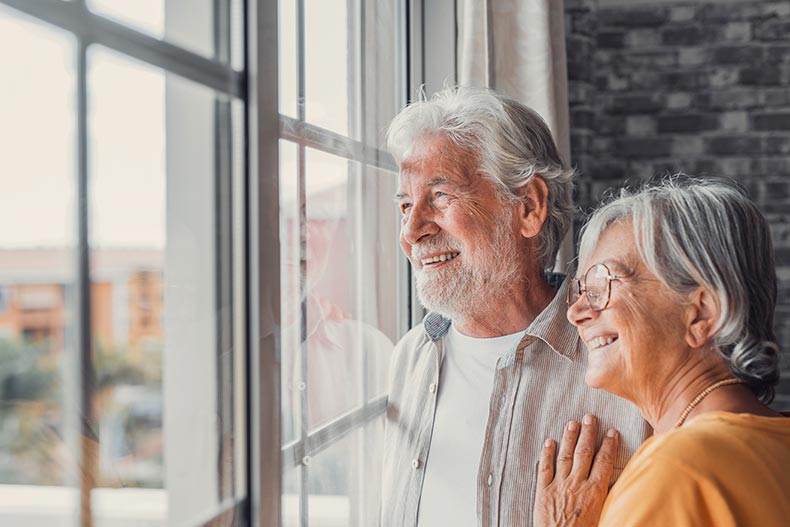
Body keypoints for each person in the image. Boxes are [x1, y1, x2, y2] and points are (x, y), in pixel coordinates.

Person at [380, 86, 650, 527]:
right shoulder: (409, 359)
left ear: (528, 207)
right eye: (405, 204)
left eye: (440, 196)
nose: (411, 232)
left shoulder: (624, 366)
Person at [534, 177, 790, 527]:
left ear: (701, 313)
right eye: (581, 291)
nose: (576, 313)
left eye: (601, 286)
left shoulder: (676, 472)